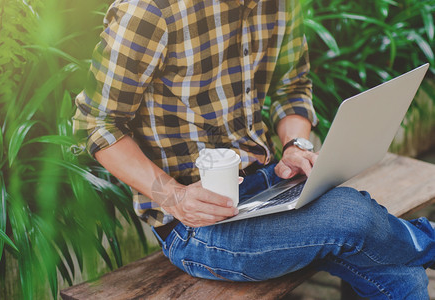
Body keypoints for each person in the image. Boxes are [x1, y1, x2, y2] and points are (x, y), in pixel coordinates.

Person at [73, 0, 435, 298]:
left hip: (270, 188)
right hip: (196, 227)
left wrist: (295, 145)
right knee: (352, 215)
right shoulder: (149, 12)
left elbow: (292, 86)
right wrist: (173, 196)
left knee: (407, 281)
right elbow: (96, 123)